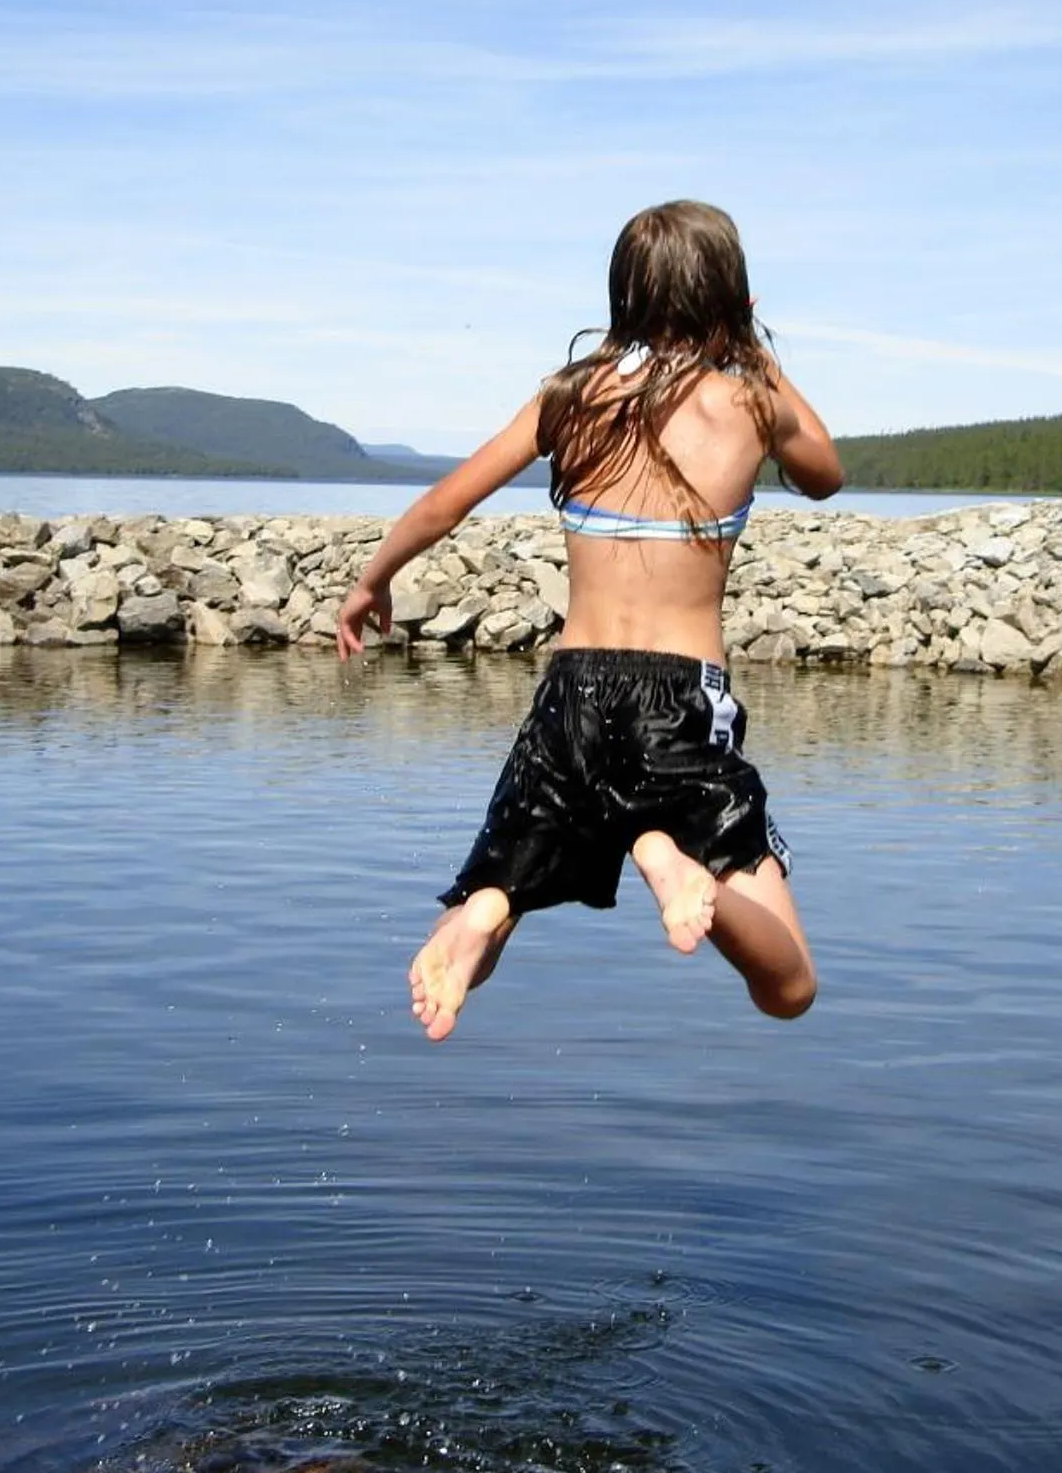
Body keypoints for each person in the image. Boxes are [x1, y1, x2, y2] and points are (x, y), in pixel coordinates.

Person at [335, 199, 845, 1040]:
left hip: (569, 697)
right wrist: (753, 350)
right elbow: (825, 473)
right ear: (734, 301)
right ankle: (682, 869)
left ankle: (482, 918)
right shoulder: (751, 402)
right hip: (678, 700)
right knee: (789, 986)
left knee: (503, 888)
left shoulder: (567, 400)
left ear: (624, 302)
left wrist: (371, 581)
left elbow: (443, 502)